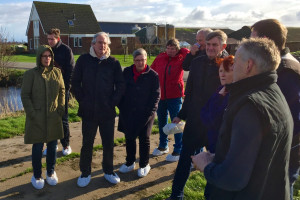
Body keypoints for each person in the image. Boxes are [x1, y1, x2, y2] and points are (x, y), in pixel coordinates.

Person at [192, 38, 293, 200]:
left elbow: (233, 179)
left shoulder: (250, 105)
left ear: (249, 65)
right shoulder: (273, 91)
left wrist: (206, 165)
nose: (232, 66)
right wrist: (219, 158)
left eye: (236, 60)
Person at [169, 30, 228, 199]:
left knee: (215, 163)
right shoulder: (197, 62)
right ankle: (176, 195)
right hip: (195, 120)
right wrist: (181, 114)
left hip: (216, 125)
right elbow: (190, 92)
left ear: (223, 46)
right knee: (184, 160)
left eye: (214, 45)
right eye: (208, 44)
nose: (210, 48)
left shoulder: (229, 65)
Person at [250, 19, 300, 199]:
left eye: (252, 38)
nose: (249, 42)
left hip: (281, 156)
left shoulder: (285, 72)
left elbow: (290, 120)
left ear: (263, 39)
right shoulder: (281, 66)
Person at [71, 32, 125, 187]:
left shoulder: (113, 63)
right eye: (100, 42)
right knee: (87, 143)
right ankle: (85, 172)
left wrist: (112, 102)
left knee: (108, 143)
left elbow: (121, 85)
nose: (102, 46)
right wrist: (82, 100)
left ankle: (108, 171)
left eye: (105, 43)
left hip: (107, 111)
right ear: (93, 44)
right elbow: (75, 83)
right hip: (88, 111)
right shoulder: (83, 60)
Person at [21, 45, 65, 189]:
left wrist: (60, 108)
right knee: (38, 145)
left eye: (49, 56)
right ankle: (37, 175)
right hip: (37, 116)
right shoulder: (30, 74)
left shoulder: (57, 72)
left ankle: (51, 172)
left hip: (54, 116)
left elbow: (62, 90)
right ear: (39, 57)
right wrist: (32, 113)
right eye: (44, 56)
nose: (47, 59)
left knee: (52, 145)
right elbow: (25, 95)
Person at [118, 48, 160, 177]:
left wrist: (150, 112)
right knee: (129, 137)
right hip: (128, 112)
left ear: (146, 59)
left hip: (145, 113)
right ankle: (130, 162)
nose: (140, 63)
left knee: (144, 139)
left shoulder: (153, 75)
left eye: (142, 60)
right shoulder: (126, 72)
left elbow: (156, 95)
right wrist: (121, 106)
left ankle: (144, 164)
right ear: (134, 60)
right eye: (137, 60)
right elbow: (120, 89)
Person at [150, 38, 189, 162]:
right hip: (161, 96)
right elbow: (151, 71)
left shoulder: (181, 58)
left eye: (173, 48)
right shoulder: (160, 57)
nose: (170, 51)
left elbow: (189, 55)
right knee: (162, 121)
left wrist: (181, 49)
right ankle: (163, 145)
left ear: (177, 50)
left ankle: (178, 149)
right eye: (168, 48)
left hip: (175, 96)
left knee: (176, 123)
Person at [43, 28, 75, 156]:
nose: (50, 41)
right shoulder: (46, 50)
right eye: (48, 39)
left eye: (52, 39)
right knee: (50, 118)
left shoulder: (66, 50)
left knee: (63, 118)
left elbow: (71, 70)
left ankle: (66, 144)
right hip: (48, 89)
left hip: (62, 90)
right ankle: (52, 144)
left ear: (58, 38)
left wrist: (66, 88)